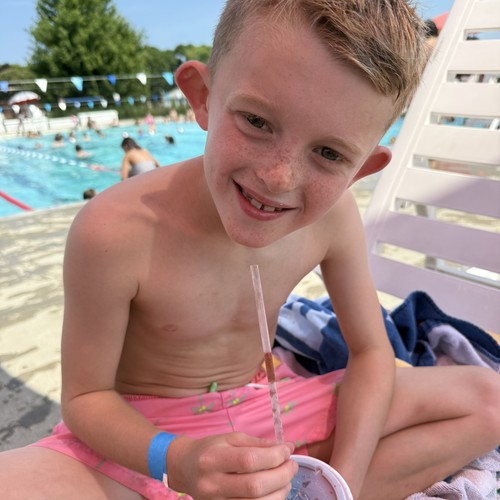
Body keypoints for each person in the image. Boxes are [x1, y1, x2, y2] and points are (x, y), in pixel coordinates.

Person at [1, 1, 498, 499]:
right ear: (201, 98)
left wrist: (340, 481)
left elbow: (371, 353)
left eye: (329, 153)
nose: (278, 178)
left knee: (488, 400)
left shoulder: (334, 218)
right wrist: (176, 459)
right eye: (257, 121)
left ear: (361, 170)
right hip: (145, 437)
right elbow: (87, 398)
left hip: (272, 408)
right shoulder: (114, 230)